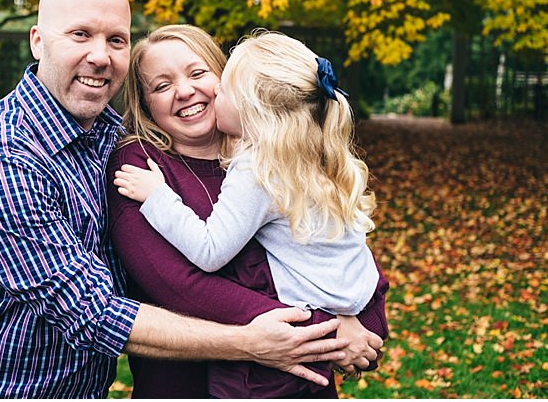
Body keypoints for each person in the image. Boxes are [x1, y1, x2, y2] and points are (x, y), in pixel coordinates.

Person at [0, 0, 367, 399]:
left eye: (116, 39)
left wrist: (357, 317)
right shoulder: (3, 162)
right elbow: (96, 313)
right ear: (38, 42)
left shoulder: (104, 132)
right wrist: (304, 330)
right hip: (4, 392)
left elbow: (335, 242)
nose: (100, 56)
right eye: (80, 34)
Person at [107, 25, 390, 398]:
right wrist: (333, 330)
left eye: (198, 73)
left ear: (226, 80)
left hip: (298, 381)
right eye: (161, 86)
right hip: (189, 387)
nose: (185, 91)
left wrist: (365, 325)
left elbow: (341, 249)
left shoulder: (274, 154)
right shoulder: (141, 167)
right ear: (145, 104)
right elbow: (184, 287)